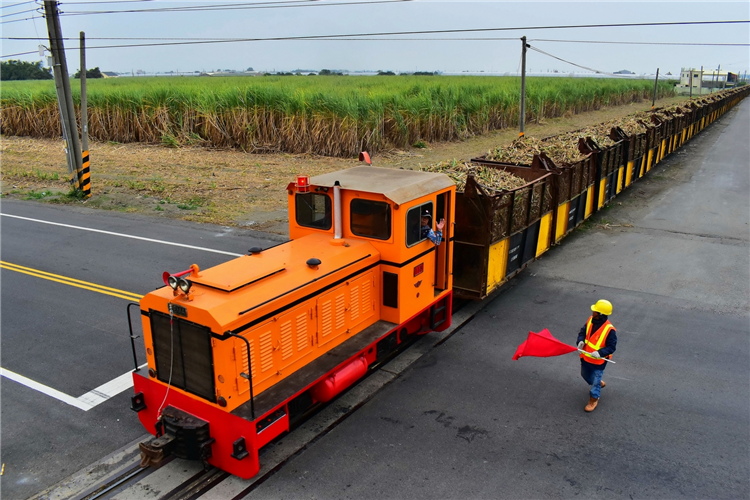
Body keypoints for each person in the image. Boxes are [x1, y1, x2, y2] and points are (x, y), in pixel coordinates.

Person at [577, 299, 617, 412]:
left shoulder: (610, 330)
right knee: (584, 374)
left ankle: (594, 399)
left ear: (600, 314)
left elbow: (611, 347)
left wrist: (600, 353)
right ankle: (598, 383)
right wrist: (580, 341)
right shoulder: (590, 320)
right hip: (586, 357)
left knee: (595, 381)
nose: (592, 312)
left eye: (595, 311)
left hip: (598, 362)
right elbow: (583, 332)